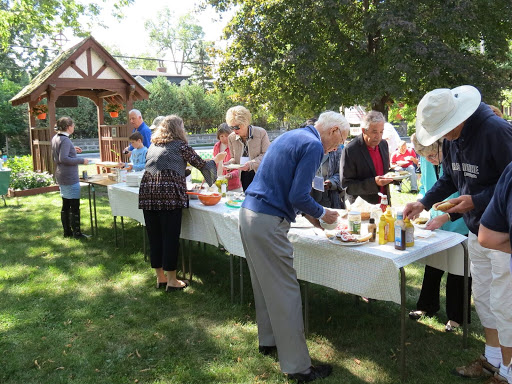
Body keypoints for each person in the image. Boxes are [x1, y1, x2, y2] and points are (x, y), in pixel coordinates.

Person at [403, 85, 512, 384]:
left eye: (443, 130)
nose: (442, 138)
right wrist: (423, 202)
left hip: (504, 236)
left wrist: (475, 200)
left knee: (506, 303)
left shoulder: (496, 131)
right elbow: (450, 177)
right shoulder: (455, 137)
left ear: (458, 117)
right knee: (486, 298)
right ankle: (492, 360)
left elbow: (511, 183)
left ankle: (508, 372)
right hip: (477, 229)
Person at [239, 111, 349, 382]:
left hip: (250, 214)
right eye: (341, 139)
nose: (338, 147)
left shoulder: (293, 136)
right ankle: (298, 367)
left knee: (264, 285)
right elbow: (298, 195)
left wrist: (314, 217)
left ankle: (269, 342)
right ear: (333, 130)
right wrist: (324, 213)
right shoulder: (313, 145)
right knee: (286, 291)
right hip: (267, 220)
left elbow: (291, 190)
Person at [138, 115, 226, 292]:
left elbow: (165, 167)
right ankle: (172, 281)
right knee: (170, 237)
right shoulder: (181, 146)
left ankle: (160, 278)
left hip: (148, 193)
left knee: (155, 236)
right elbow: (202, 165)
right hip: (168, 196)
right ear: (179, 129)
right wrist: (216, 161)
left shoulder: (154, 146)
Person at [408, 134, 471, 332]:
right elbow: (427, 188)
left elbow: (466, 196)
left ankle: (456, 317)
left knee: (458, 270)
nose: (429, 159)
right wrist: (420, 203)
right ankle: (426, 306)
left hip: (460, 222)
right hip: (436, 222)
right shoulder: (428, 160)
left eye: (432, 154)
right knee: (433, 266)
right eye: (423, 156)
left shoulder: (457, 158)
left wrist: (445, 216)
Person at [341, 110, 393, 205]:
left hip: (384, 203)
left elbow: (384, 173)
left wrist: (395, 175)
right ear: (363, 130)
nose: (378, 136)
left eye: (381, 132)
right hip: (362, 207)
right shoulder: (351, 149)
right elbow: (347, 186)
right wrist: (374, 183)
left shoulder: (383, 144)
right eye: (374, 132)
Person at [51, 116, 90, 239]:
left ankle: (67, 231)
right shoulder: (66, 140)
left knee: (66, 204)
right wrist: (81, 160)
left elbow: (58, 156)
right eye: (73, 125)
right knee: (74, 205)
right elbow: (64, 158)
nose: (74, 127)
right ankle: (77, 233)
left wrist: (73, 149)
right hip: (69, 176)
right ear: (68, 127)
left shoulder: (56, 137)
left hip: (61, 174)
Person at [225, 106, 270, 191]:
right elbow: (234, 158)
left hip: (260, 174)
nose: (234, 130)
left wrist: (251, 164)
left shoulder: (261, 133)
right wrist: (229, 163)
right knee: (247, 199)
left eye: (237, 127)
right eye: (231, 127)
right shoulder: (231, 138)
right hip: (243, 175)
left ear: (245, 123)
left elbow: (266, 155)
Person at [307, 117, 345, 209]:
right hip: (307, 199)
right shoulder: (305, 149)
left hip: (328, 199)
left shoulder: (336, 149)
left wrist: (331, 182)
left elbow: (342, 174)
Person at [213, 123, 242, 192]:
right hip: (218, 182)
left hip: (233, 185)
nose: (224, 139)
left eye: (226, 136)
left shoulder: (236, 146)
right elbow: (215, 163)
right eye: (221, 136)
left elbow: (241, 166)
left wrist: (231, 175)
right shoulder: (216, 146)